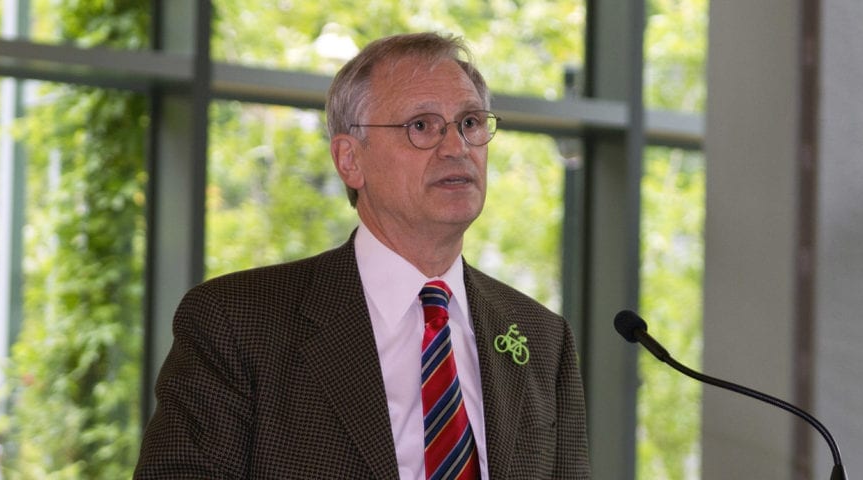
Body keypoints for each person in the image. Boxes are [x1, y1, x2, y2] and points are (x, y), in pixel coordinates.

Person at [134, 32, 591, 479]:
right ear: (350, 160)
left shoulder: (542, 339)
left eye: (470, 123)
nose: (457, 148)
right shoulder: (237, 322)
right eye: (421, 126)